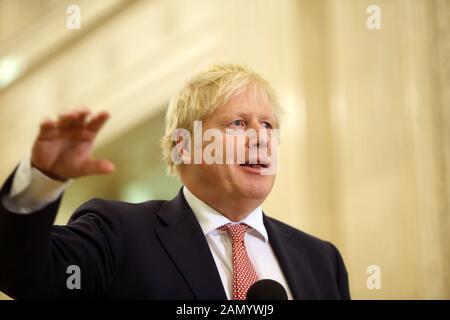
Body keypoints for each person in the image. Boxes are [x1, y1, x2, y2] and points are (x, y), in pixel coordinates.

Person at [0, 64, 350, 300]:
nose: (261, 138)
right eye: (238, 124)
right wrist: (42, 181)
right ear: (184, 145)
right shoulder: (118, 234)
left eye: (269, 126)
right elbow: (22, 273)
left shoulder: (321, 261)